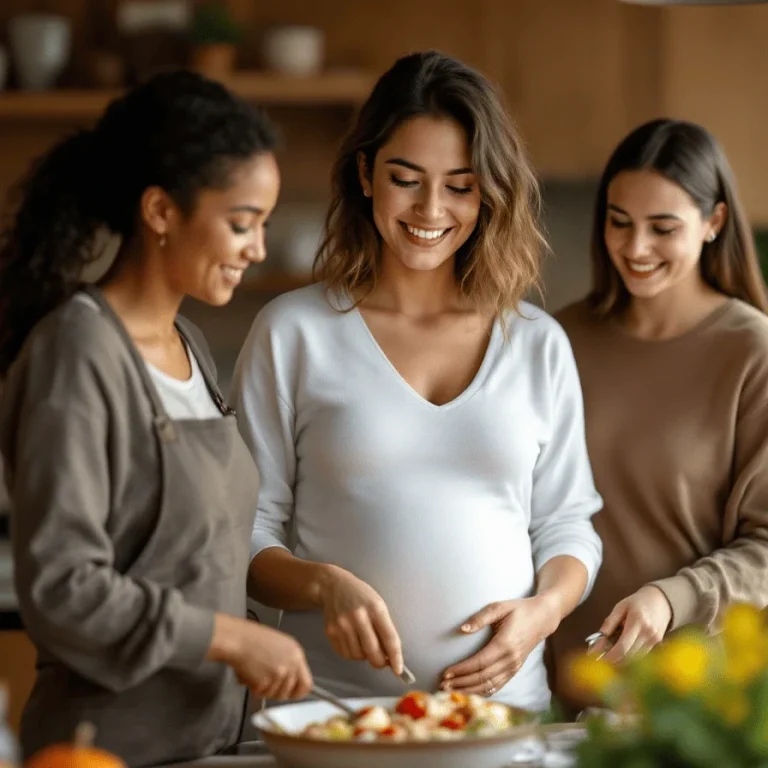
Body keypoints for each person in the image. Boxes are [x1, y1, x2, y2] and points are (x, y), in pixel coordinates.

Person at [230, 50, 603, 714]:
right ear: (367, 174)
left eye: (460, 185)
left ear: (488, 192)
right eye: (407, 178)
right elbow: (245, 531)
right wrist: (321, 586)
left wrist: (543, 613)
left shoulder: (536, 343)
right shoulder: (293, 332)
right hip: (328, 718)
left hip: (505, 720)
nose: (432, 208)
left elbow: (567, 525)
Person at [0, 71, 313, 767]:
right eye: (242, 223)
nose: (258, 248)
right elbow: (62, 585)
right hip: (108, 746)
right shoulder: (76, 352)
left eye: (263, 224)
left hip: (212, 739)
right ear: (161, 211)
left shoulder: (192, 348)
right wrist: (232, 640)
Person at [550, 118, 768, 713]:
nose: (635, 247)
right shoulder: (557, 340)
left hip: (695, 699)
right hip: (553, 688)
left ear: (714, 223)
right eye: (619, 222)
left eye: (662, 228)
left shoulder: (752, 352)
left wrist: (672, 599)